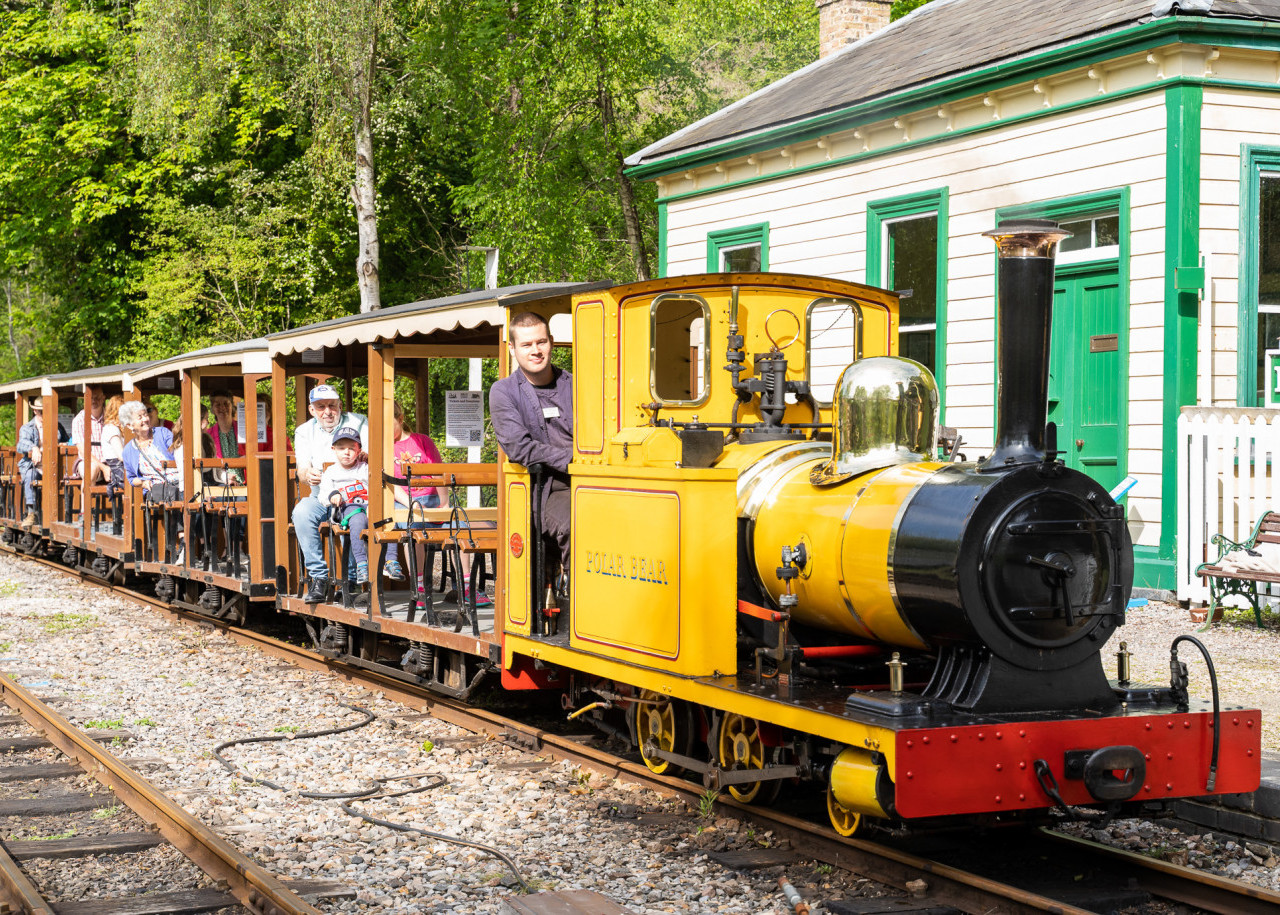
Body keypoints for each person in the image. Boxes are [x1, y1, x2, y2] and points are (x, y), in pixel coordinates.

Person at [489, 311, 572, 581]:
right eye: (527, 345)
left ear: (552, 342)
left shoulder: (576, 384)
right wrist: (573, 459)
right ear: (512, 348)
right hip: (544, 490)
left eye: (541, 342)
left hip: (594, 481)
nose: (536, 351)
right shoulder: (503, 392)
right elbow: (520, 448)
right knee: (579, 523)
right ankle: (578, 605)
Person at [292, 384, 368, 602]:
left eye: (332, 405)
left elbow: (372, 454)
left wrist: (366, 455)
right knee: (301, 513)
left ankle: (351, 581)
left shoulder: (359, 421)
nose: (327, 411)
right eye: (321, 406)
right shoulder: (304, 431)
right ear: (312, 410)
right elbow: (302, 469)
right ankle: (319, 578)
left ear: (340, 406)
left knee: (354, 516)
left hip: (354, 496)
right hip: (320, 494)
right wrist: (307, 475)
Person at [120, 400, 183, 563]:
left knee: (185, 492)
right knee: (172, 494)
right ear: (130, 425)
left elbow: (177, 450)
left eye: (145, 415)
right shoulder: (128, 450)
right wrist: (143, 483)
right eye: (139, 417)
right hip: (155, 488)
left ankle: (190, 543)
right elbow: (131, 478)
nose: (145, 419)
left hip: (177, 480)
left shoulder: (162, 433)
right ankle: (182, 541)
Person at [318, 426, 372, 585]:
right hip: (343, 513)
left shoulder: (364, 468)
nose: (346, 452)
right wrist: (333, 495)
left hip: (366, 510)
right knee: (352, 528)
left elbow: (376, 486)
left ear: (359, 450)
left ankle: (378, 568)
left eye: (351, 448)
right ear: (334, 449)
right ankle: (354, 575)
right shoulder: (331, 472)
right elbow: (322, 495)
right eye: (341, 448)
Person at [16, 396, 66, 527]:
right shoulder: (27, 428)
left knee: (67, 477)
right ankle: (31, 513)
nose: (44, 414)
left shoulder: (57, 427)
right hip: (35, 465)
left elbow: (67, 439)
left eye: (47, 411)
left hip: (54, 465)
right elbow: (21, 444)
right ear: (35, 411)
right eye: (42, 411)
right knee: (29, 476)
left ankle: (63, 513)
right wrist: (34, 447)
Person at [69, 386, 106, 483]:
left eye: (97, 398)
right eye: (90, 398)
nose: (94, 401)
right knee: (90, 470)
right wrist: (103, 467)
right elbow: (83, 451)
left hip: (109, 461)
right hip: (88, 461)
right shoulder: (79, 420)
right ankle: (85, 498)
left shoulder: (110, 417)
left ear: (103, 398)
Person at [101, 396, 126, 493]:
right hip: (117, 467)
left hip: (122, 466)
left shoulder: (120, 427)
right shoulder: (111, 429)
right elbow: (121, 455)